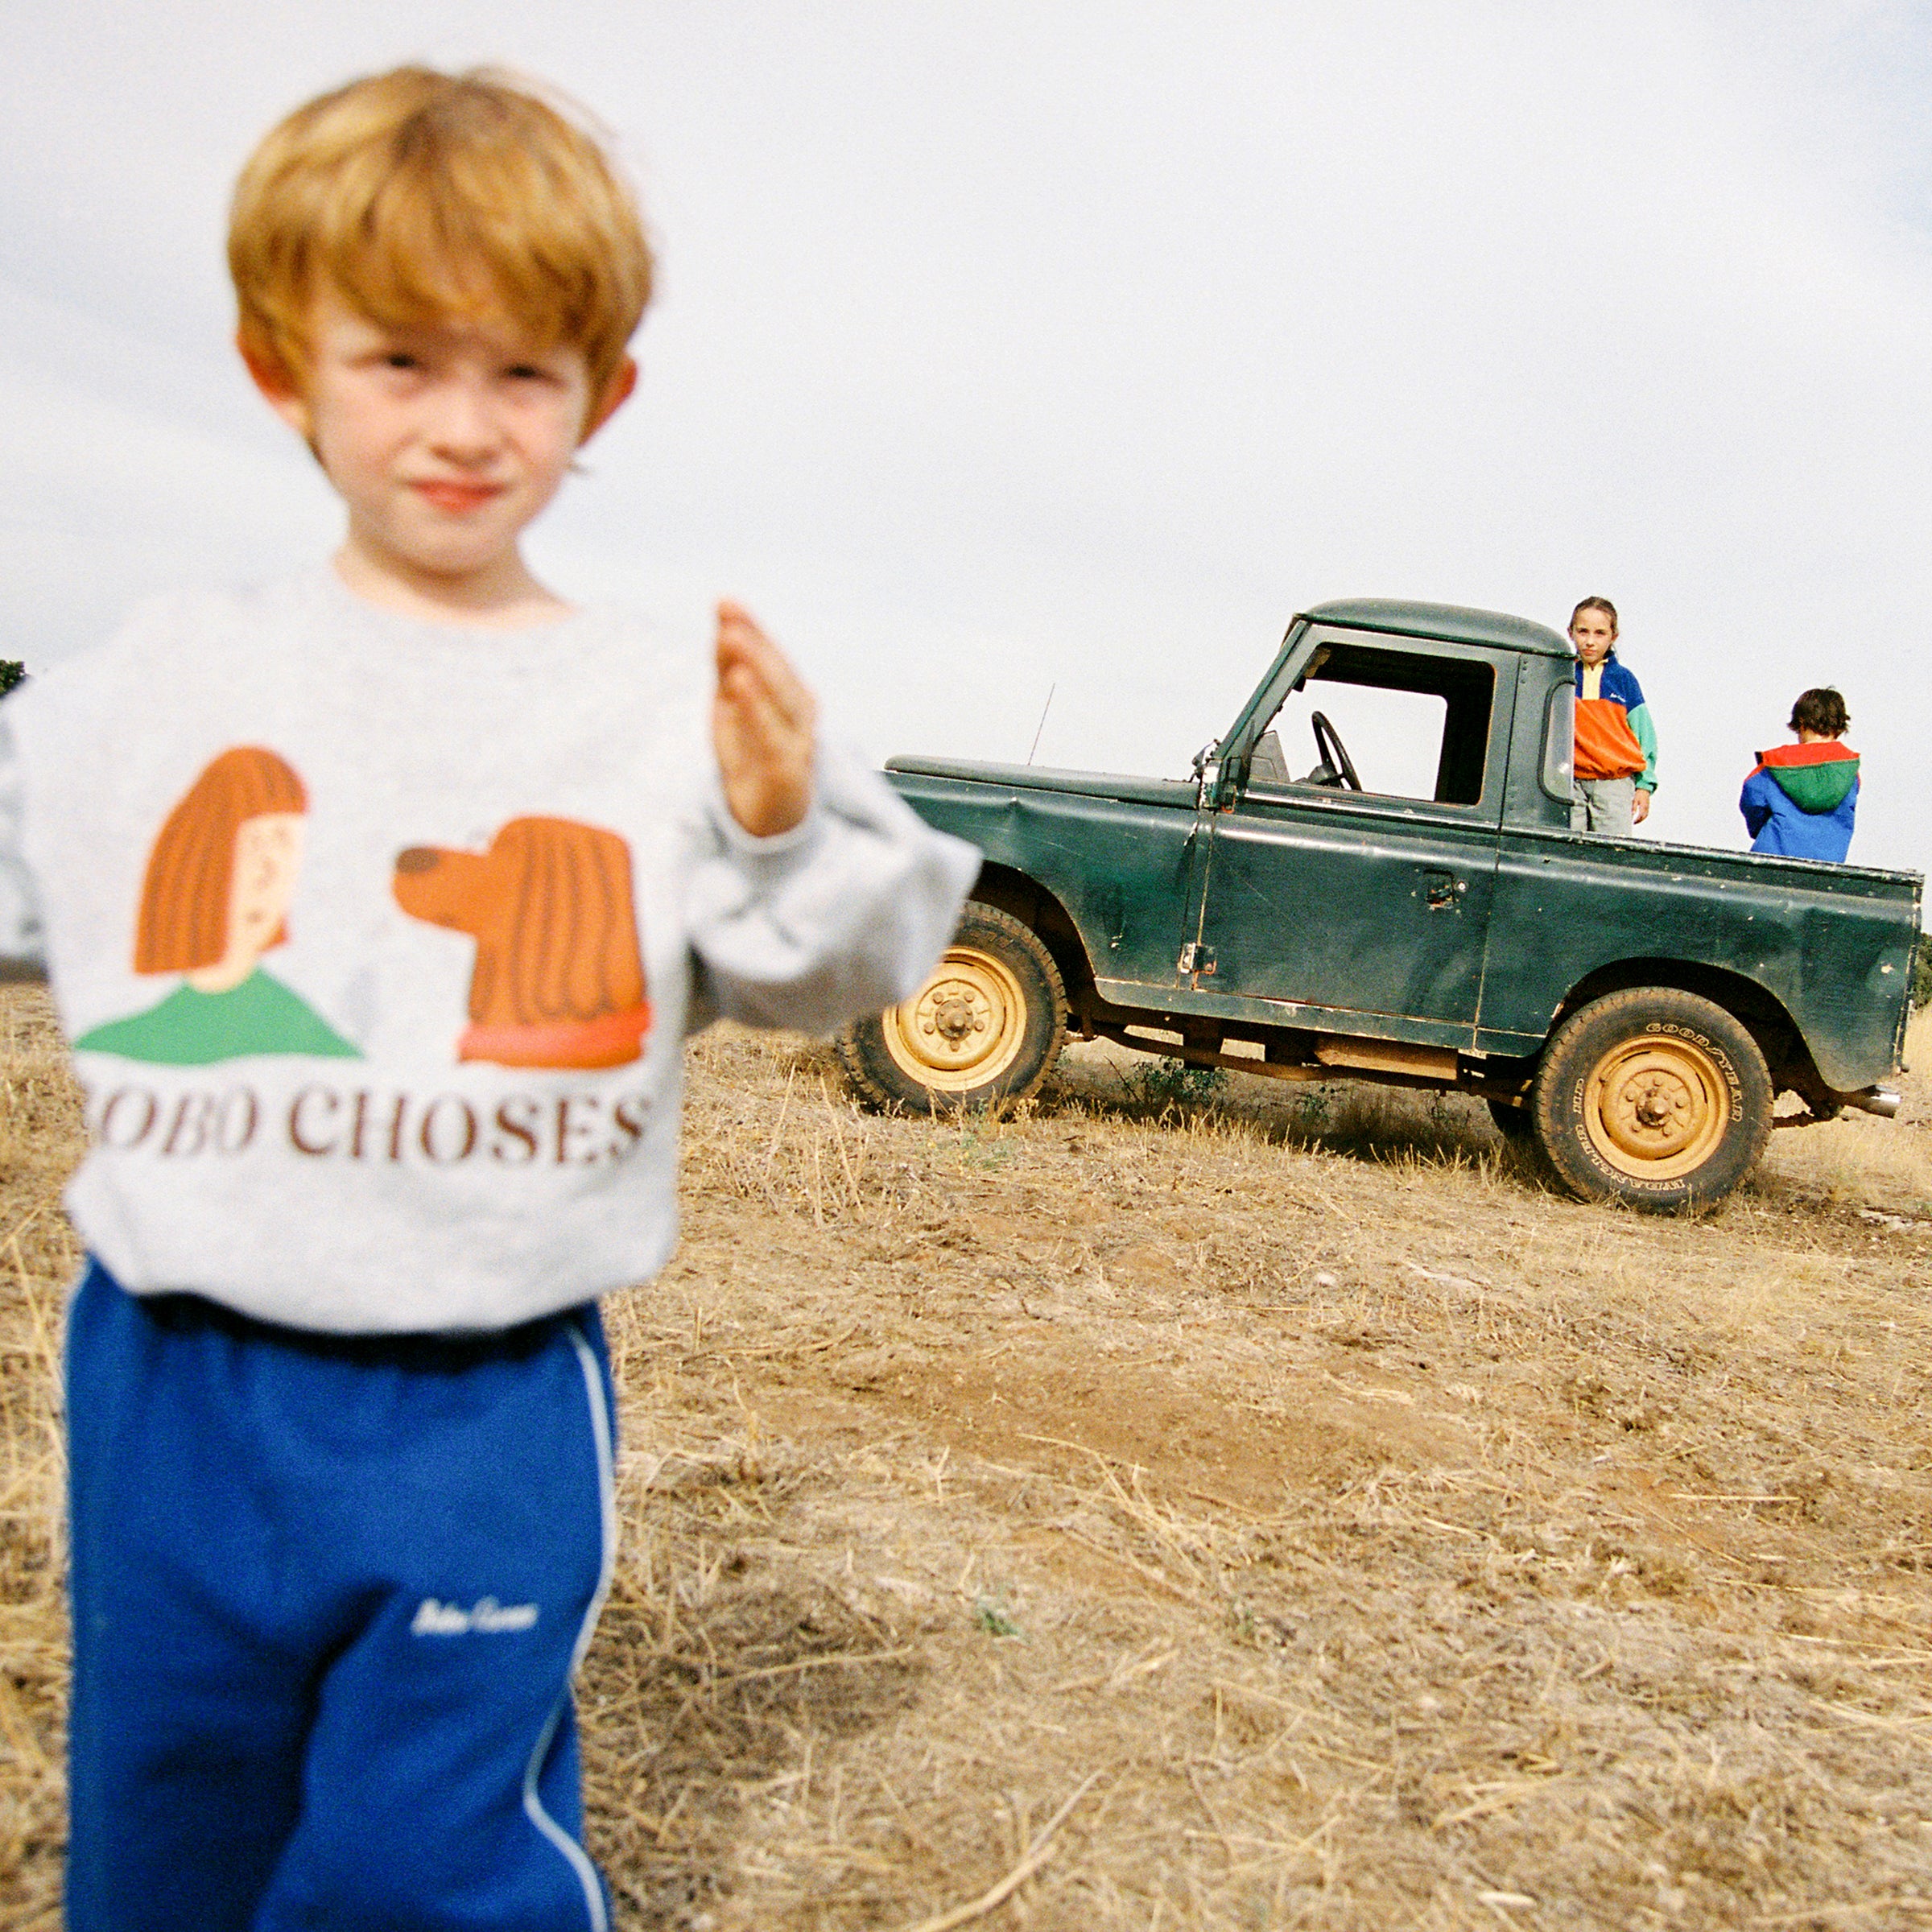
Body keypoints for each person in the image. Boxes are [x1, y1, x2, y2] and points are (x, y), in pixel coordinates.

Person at [0, 67, 978, 1932]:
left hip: (481, 1389)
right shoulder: (160, 683)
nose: (461, 425)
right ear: (282, 362)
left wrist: (772, 828)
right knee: (166, 1813)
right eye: (398, 362)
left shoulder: (652, 700)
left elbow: (854, 957)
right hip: (179, 1373)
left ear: (599, 393)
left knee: (423, 1856)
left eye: (520, 372)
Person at [1567, 596, 1657, 832]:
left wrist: (1644, 786)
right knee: (1566, 854)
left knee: (1610, 857)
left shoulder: (1623, 680)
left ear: (1612, 637)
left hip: (1613, 785)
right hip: (1570, 784)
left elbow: (1644, 736)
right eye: (1583, 631)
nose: (1589, 641)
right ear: (1571, 632)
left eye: (1599, 633)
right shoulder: (1562, 675)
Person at [1740, 686, 1860, 861]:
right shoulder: (1850, 772)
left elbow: (1752, 802)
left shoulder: (1773, 765)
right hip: (1826, 868)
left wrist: (1760, 829)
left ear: (1801, 722)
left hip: (1771, 860)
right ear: (1840, 724)